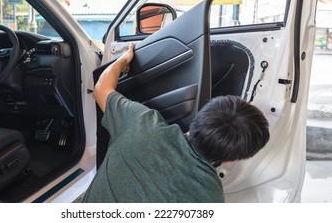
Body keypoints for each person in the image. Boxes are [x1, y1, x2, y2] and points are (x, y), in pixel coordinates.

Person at [82, 43, 269, 203]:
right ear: (230, 159)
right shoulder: (211, 197)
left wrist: (123, 60)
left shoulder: (142, 124)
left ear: (200, 117)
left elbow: (100, 89)